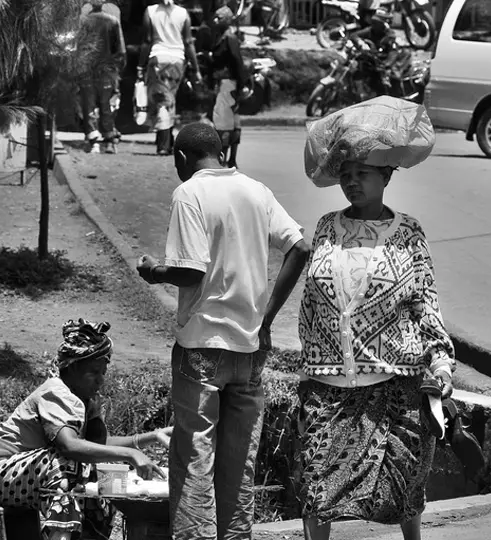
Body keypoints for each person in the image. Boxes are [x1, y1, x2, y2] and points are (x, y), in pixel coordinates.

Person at [135, 122, 310, 540]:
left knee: (195, 457)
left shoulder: (190, 193)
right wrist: (265, 317)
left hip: (202, 347)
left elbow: (190, 269)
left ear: (181, 158)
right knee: (238, 462)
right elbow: (300, 247)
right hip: (249, 349)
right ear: (220, 150)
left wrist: (155, 271)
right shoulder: (256, 189)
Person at [297, 96, 456, 540]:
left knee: (403, 489)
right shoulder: (327, 225)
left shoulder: (408, 232)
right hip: (327, 384)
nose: (352, 183)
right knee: (316, 487)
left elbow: (426, 302)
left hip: (394, 386)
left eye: (362, 173)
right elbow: (312, 304)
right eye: (345, 175)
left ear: (386, 175)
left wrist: (441, 363)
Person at [0, 319, 171, 540]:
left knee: (109, 477)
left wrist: (152, 437)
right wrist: (131, 454)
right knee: (65, 462)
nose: (100, 380)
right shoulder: (55, 391)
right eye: (94, 372)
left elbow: (95, 447)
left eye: (103, 372)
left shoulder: (81, 398)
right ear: (71, 367)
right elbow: (69, 446)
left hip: (26, 478)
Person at [139, 0, 203, 155]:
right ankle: (168, 139)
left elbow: (147, 41)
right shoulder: (183, 14)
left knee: (161, 101)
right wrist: (196, 68)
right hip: (177, 61)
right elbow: (188, 42)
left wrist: (140, 65)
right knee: (169, 100)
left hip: (158, 58)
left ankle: (163, 144)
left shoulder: (150, 11)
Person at [78, 0, 126, 154]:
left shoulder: (83, 22)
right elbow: (121, 50)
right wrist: (118, 69)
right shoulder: (112, 21)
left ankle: (94, 142)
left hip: (86, 69)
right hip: (107, 70)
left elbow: (77, 47)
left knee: (89, 106)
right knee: (107, 106)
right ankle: (109, 141)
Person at [208, 7, 246, 168]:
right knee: (232, 121)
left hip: (227, 83)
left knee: (224, 122)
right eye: (215, 17)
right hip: (227, 83)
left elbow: (238, 63)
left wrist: (240, 86)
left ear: (227, 20)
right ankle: (231, 159)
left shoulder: (229, 38)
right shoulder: (221, 37)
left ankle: (224, 158)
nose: (215, 21)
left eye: (219, 18)